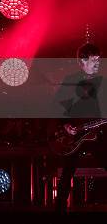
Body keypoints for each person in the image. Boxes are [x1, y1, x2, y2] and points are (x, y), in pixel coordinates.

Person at [54, 43, 103, 211]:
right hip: (75, 133)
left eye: (99, 59)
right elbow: (56, 107)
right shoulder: (70, 81)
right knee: (68, 170)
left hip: (98, 131)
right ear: (82, 62)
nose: (98, 63)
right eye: (93, 60)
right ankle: (59, 208)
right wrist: (65, 125)